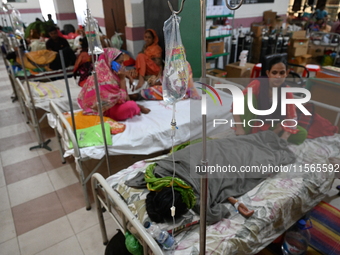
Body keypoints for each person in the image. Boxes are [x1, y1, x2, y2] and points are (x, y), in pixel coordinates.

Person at [125, 130, 296, 224]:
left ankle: (284, 137)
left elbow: (217, 213)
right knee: (247, 149)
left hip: (222, 157)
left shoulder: (198, 199)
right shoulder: (157, 173)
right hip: (215, 151)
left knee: (256, 159)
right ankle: (282, 135)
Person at [232, 56, 307, 145]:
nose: (278, 77)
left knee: (302, 133)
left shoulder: (286, 90)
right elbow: (236, 105)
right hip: (252, 120)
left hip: (271, 124)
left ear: (286, 73)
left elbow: (291, 117)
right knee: (249, 97)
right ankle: (248, 133)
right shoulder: (257, 84)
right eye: (274, 73)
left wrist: (284, 135)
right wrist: (240, 128)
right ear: (268, 73)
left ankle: (270, 135)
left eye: (281, 73)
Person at [77, 48, 150, 121]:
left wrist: (126, 76)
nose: (122, 66)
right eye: (120, 62)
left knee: (132, 102)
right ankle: (136, 108)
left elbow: (124, 98)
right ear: (110, 62)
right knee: (131, 106)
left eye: (123, 62)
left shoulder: (109, 73)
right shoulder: (105, 79)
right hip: (105, 110)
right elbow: (122, 100)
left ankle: (136, 105)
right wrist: (122, 80)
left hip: (111, 105)